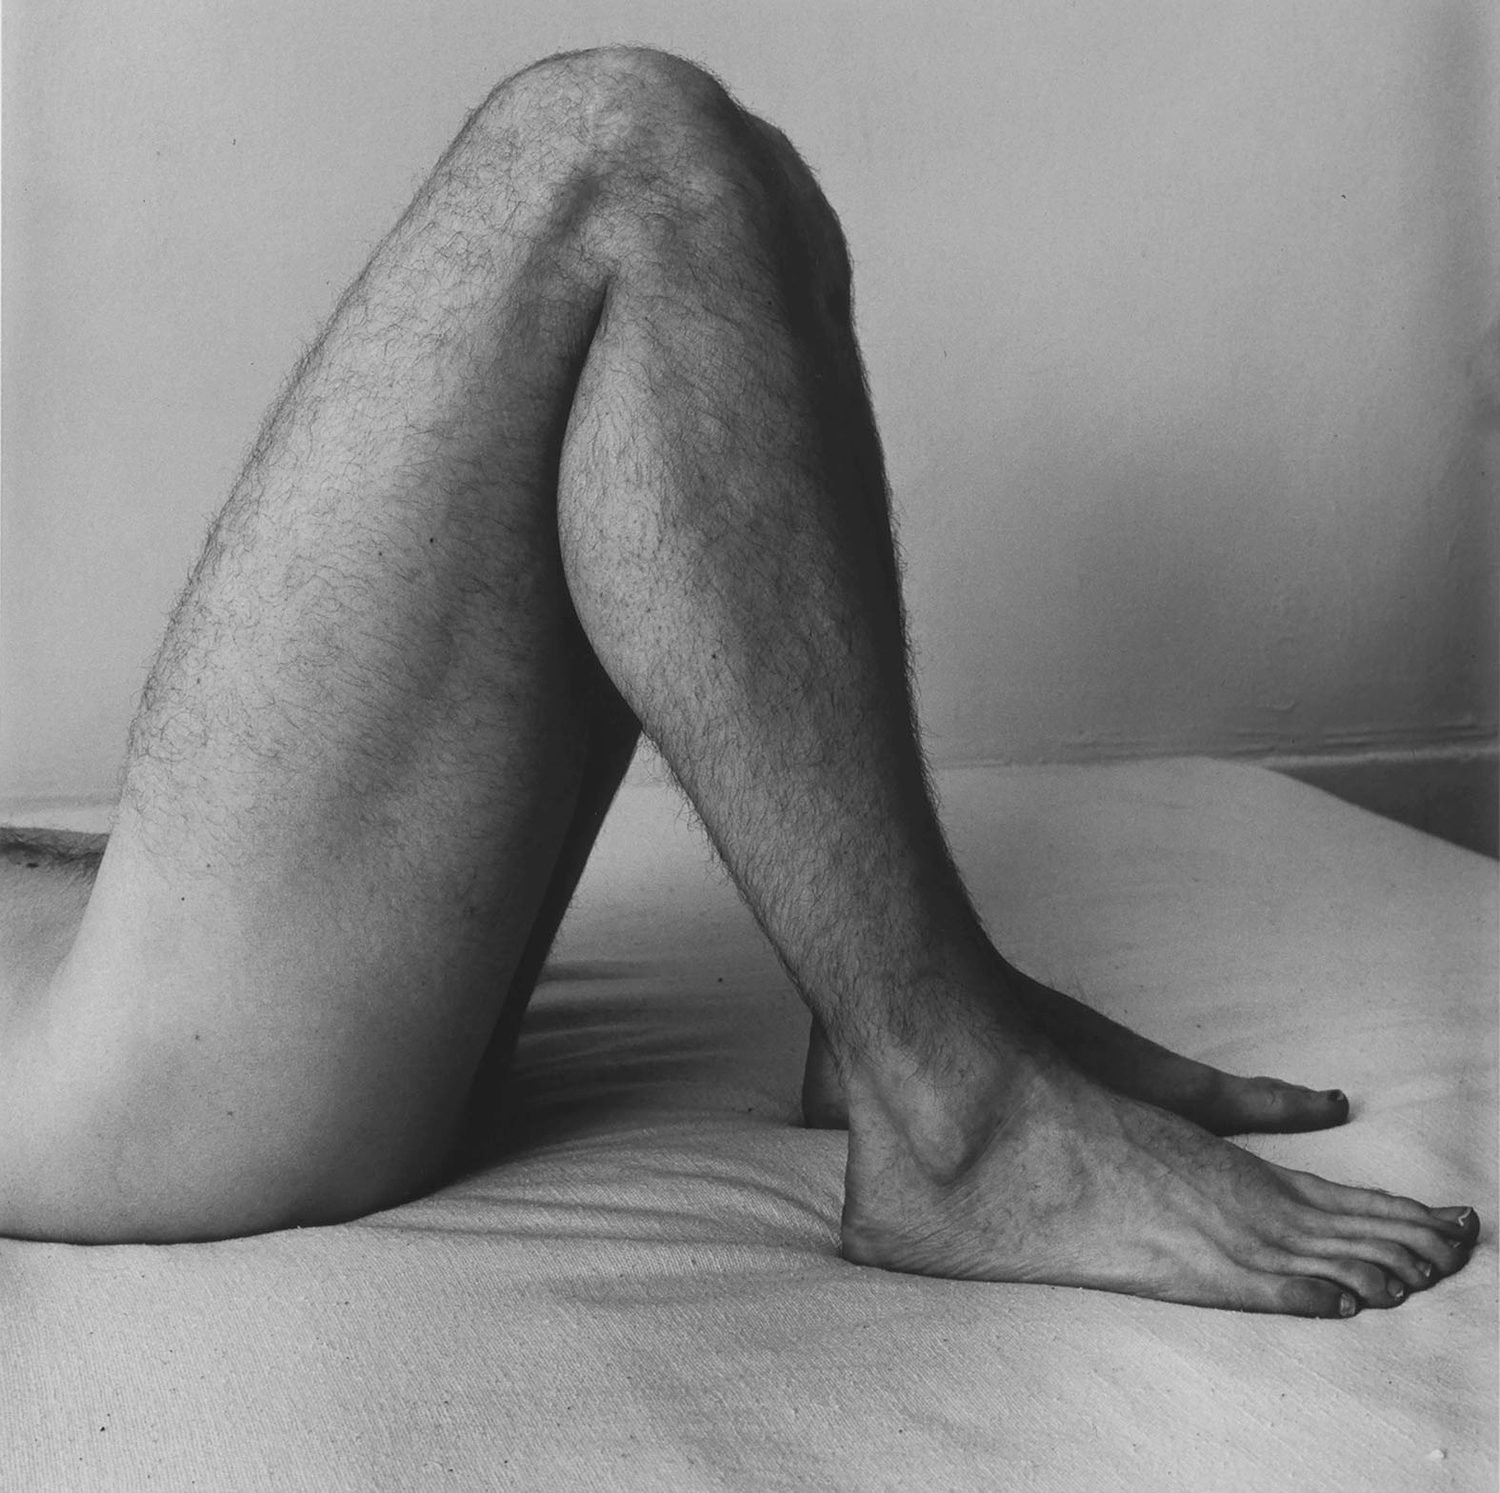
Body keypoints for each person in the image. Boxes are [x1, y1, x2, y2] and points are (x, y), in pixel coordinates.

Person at [0, 46, 1477, 1315]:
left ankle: (913, 1012)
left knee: (750, 196)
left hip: (115, 983)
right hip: (128, 1078)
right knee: (618, 151)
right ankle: (952, 1107)